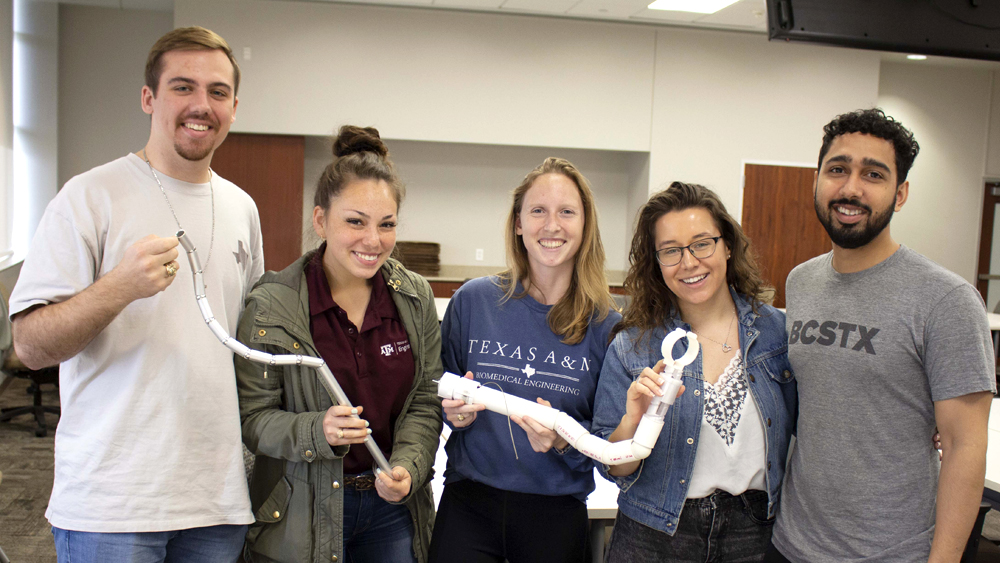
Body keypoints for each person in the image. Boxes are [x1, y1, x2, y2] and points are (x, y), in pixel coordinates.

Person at [8, 27, 262, 562]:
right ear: (149, 98)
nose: (201, 105)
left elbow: (250, 341)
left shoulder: (242, 207)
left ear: (234, 107)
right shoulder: (89, 196)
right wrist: (117, 288)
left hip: (217, 501)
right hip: (112, 505)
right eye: (182, 87)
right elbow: (30, 346)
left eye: (217, 92)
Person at [766, 108, 996, 563]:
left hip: (892, 552)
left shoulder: (946, 300)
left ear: (901, 192)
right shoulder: (801, 281)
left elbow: (965, 449)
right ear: (817, 180)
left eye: (873, 174)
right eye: (838, 169)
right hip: (790, 544)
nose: (851, 188)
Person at [235, 125, 443, 563]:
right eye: (355, 221)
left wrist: (407, 466)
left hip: (392, 511)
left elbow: (425, 400)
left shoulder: (414, 297)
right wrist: (317, 430)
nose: (373, 241)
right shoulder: (272, 304)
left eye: (386, 225)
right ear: (319, 220)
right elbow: (253, 420)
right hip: (301, 513)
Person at [427, 157, 621, 563]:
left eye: (567, 212)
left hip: (556, 512)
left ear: (585, 225)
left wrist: (563, 439)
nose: (552, 225)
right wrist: (453, 414)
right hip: (469, 504)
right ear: (518, 223)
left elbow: (610, 440)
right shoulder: (474, 301)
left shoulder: (607, 326)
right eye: (538, 211)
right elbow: (435, 393)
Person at [592, 182, 796, 562]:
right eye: (671, 251)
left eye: (702, 243)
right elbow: (614, 467)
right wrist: (633, 419)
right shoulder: (633, 346)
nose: (689, 262)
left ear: (728, 245)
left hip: (753, 533)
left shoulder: (776, 335)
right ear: (656, 262)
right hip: (654, 534)